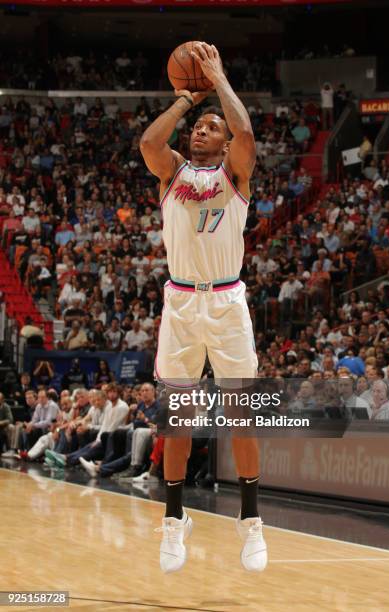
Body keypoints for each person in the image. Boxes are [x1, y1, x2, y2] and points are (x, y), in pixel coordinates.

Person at [140, 42, 267, 573]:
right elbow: (149, 142)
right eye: (199, 127)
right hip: (181, 301)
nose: (201, 131)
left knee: (241, 415)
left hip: (228, 299)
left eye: (209, 127)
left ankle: (251, 524)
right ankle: (174, 523)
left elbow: (244, 134)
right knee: (179, 419)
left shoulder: (235, 176)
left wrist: (217, 83)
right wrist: (183, 101)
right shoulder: (171, 174)